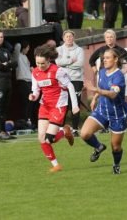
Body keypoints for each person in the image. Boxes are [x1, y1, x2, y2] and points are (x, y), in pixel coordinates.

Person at [29, 44, 79, 173]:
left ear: (49, 60)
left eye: (43, 64)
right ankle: (56, 165)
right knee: (41, 137)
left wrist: (74, 106)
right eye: (37, 63)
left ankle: (64, 131)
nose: (40, 66)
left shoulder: (58, 71)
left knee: (49, 139)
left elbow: (71, 86)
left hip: (58, 106)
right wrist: (33, 96)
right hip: (44, 106)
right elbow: (36, 89)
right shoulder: (35, 72)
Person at [81, 48, 127, 174]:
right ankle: (98, 147)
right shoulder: (102, 72)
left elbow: (113, 94)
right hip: (102, 110)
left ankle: (116, 165)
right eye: (104, 58)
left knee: (116, 147)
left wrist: (95, 90)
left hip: (117, 115)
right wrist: (95, 99)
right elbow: (101, 87)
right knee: (84, 133)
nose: (105, 60)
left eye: (108, 58)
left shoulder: (119, 76)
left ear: (116, 59)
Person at [56, 30, 84, 136]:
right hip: (62, 80)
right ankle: (60, 129)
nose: (69, 38)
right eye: (67, 36)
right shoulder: (58, 50)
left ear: (74, 38)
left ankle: (75, 129)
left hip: (76, 79)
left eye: (71, 36)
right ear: (63, 38)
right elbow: (58, 63)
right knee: (63, 103)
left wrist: (66, 65)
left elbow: (79, 64)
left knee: (75, 104)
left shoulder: (79, 50)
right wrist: (70, 61)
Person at [14, 41, 35, 124]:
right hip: (22, 81)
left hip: (29, 81)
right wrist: (21, 44)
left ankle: (29, 119)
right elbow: (17, 46)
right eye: (27, 48)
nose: (28, 50)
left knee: (31, 102)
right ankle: (26, 120)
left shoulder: (25, 57)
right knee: (26, 102)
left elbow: (29, 68)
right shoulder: (17, 56)